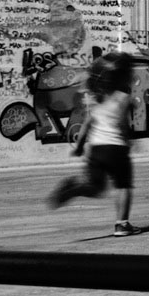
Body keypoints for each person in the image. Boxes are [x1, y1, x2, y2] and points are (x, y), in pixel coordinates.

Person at [47, 51, 139, 235]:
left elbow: (88, 123)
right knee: (123, 186)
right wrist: (129, 140)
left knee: (96, 187)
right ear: (122, 77)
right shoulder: (125, 98)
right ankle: (122, 224)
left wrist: (80, 147)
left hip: (96, 150)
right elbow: (123, 124)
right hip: (116, 149)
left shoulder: (97, 99)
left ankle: (76, 188)